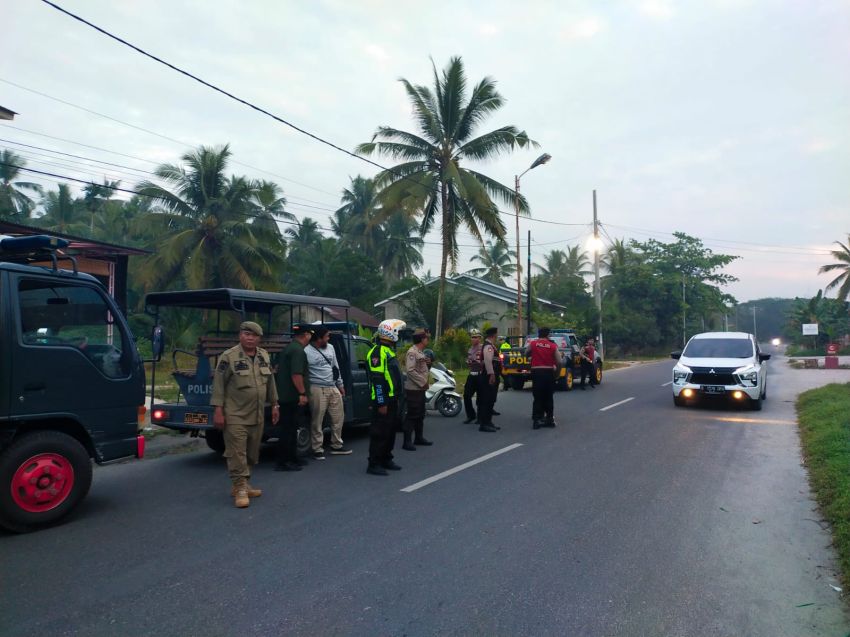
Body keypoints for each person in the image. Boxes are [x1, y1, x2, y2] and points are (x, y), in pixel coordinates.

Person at [211, 321, 280, 508]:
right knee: (237, 452)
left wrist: (275, 404)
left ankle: (245, 483)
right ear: (240, 336)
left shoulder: (264, 355)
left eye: (253, 335)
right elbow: (218, 385)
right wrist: (218, 410)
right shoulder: (228, 357)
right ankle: (240, 488)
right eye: (246, 334)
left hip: (256, 414)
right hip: (235, 414)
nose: (249, 338)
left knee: (252, 452)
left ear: (259, 338)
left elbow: (270, 381)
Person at [366, 319, 406, 475]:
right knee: (379, 432)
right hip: (383, 400)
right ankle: (374, 463)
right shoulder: (377, 352)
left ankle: (386, 458)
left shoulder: (389, 352)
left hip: (393, 398)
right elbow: (378, 379)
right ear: (392, 332)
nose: (400, 336)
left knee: (390, 432)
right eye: (399, 332)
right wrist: (382, 403)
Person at [305, 326, 351, 459]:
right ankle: (317, 448)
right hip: (317, 387)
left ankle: (336, 444)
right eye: (327, 336)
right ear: (319, 338)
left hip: (332, 385)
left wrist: (340, 384)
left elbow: (335, 366)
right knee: (317, 419)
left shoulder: (330, 347)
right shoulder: (307, 351)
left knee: (338, 416)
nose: (328, 339)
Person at [274, 324, 314, 472]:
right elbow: (296, 375)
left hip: (287, 395)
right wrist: (302, 393)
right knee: (288, 430)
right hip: (291, 397)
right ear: (306, 335)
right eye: (310, 334)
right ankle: (284, 461)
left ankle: (292, 458)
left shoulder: (291, 348)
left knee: (292, 428)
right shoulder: (298, 351)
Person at [526, 326, 562, 429]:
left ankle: (536, 421)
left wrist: (530, 358)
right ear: (548, 334)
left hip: (537, 372)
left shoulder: (533, 344)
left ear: (539, 334)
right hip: (548, 372)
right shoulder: (552, 345)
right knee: (549, 397)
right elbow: (559, 361)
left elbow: (526, 353)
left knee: (538, 397)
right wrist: (557, 373)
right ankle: (549, 419)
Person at [403, 327, 432, 450]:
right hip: (414, 389)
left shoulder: (420, 352)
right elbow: (410, 370)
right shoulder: (412, 352)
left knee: (420, 414)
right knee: (412, 415)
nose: (428, 340)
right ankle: (407, 442)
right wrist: (422, 382)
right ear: (421, 339)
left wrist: (428, 364)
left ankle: (418, 438)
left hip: (420, 389)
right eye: (426, 338)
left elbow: (422, 369)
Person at [477, 326, 501, 432]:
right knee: (487, 400)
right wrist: (491, 374)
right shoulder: (488, 346)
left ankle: (489, 422)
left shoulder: (490, 345)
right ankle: (484, 424)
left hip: (489, 375)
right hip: (488, 376)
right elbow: (488, 361)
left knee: (490, 400)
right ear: (494, 334)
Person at [463, 328, 483, 424]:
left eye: (475, 337)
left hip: (480, 375)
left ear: (480, 338)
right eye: (472, 337)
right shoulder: (470, 349)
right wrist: (469, 362)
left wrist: (478, 362)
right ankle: (471, 415)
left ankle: (480, 417)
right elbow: (469, 361)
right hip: (472, 374)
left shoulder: (483, 348)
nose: (473, 339)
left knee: (480, 398)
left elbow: (486, 362)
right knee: (466, 395)